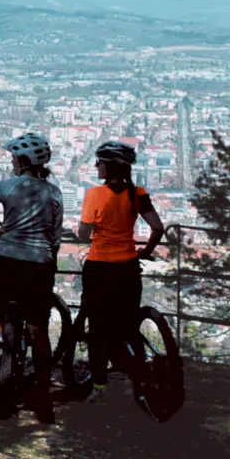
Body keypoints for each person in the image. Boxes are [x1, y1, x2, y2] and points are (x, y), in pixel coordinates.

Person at [0, 132, 65, 421]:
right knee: (38, 331)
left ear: (21, 161)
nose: (11, 162)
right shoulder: (54, 193)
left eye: (13, 158)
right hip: (38, 266)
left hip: (4, 260)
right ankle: (43, 397)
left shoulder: (6, 186)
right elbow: (54, 238)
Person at [76, 139, 166, 401]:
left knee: (98, 329)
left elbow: (84, 234)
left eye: (99, 162)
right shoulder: (137, 194)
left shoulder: (94, 194)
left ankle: (100, 387)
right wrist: (146, 251)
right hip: (128, 268)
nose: (96, 166)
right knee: (127, 326)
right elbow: (158, 228)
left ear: (109, 167)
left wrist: (82, 231)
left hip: (99, 268)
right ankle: (139, 379)